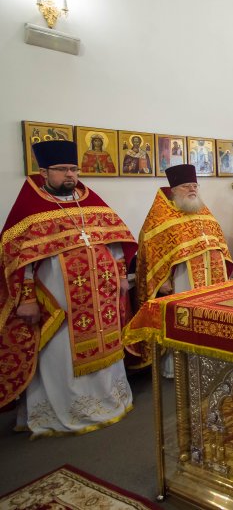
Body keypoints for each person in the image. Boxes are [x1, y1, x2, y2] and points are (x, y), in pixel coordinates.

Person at [0, 140, 137, 436]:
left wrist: (121, 276)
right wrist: (26, 299)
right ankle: (63, 411)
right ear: (44, 172)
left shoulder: (91, 202)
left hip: (102, 299)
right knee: (60, 354)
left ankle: (109, 400)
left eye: (74, 169)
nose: (70, 175)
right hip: (59, 303)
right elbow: (19, 261)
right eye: (62, 169)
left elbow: (114, 243)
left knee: (106, 346)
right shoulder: (30, 209)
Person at [134, 164, 232, 375]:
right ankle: (177, 368)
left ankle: (211, 359)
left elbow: (218, 240)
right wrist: (162, 280)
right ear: (174, 190)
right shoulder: (161, 216)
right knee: (182, 321)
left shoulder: (202, 210)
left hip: (212, 277)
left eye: (195, 185)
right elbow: (151, 251)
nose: (192, 189)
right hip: (182, 279)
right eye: (186, 186)